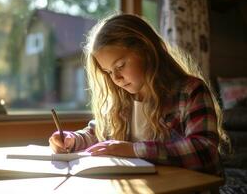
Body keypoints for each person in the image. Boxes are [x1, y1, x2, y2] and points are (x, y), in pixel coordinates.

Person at [49, 13, 230, 176]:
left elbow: (204, 151)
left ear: (147, 50)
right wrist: (72, 140)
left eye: (120, 66)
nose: (116, 78)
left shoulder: (190, 91)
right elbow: (98, 133)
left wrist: (134, 150)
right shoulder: (121, 99)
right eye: (108, 72)